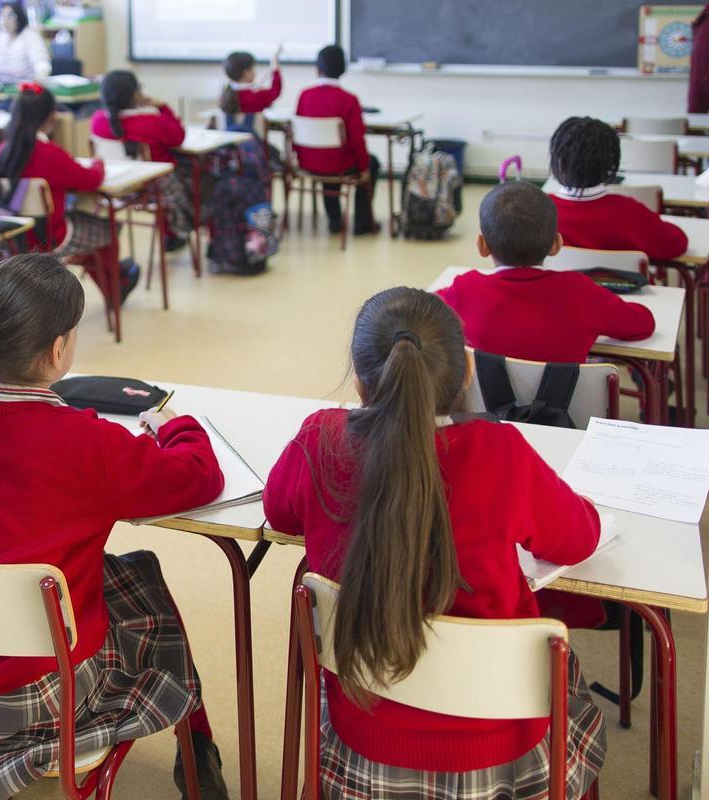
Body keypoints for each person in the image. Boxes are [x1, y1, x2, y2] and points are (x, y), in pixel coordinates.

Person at [0, 254, 229, 800]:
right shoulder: (88, 445)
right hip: (41, 694)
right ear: (58, 351)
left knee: (118, 577)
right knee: (145, 585)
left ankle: (198, 744)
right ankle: (197, 744)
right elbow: (200, 477)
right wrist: (175, 426)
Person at [263, 287, 606, 800]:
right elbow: (579, 539)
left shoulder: (320, 440)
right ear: (467, 372)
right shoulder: (502, 453)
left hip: (362, 751)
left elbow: (278, 511)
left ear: (359, 382)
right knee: (565, 671)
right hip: (502, 755)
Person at [439, 181, 655, 364]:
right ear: (557, 244)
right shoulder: (580, 292)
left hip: (484, 403)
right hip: (569, 403)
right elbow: (643, 324)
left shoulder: (464, 291)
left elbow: (421, 309)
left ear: (482, 245)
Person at [0, 84, 140, 302]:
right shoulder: (48, 153)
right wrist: (98, 163)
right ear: (51, 116)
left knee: (89, 234)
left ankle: (116, 277)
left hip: (14, 234)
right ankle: (116, 287)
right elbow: (91, 180)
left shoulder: (1, 150)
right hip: (50, 236)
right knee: (107, 228)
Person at [547, 116, 688, 262]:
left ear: (556, 158)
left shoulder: (539, 211)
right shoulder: (630, 211)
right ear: (612, 162)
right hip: (617, 278)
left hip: (562, 278)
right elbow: (676, 244)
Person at [91, 70, 193, 252]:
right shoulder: (150, 121)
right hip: (151, 189)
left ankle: (172, 233)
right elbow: (178, 137)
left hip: (115, 186)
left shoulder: (97, 120)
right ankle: (175, 231)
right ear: (135, 94)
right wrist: (163, 107)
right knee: (191, 172)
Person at [293, 45, 379, 235]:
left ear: (317, 68)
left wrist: (299, 158)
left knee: (327, 156)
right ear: (343, 70)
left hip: (308, 163)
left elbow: (296, 133)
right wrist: (364, 168)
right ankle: (362, 223)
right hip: (338, 164)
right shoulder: (349, 100)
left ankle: (334, 220)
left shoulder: (304, 96)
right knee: (370, 163)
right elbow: (357, 141)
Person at [0, 1, 52, 87]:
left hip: (23, 87)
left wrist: (40, 77)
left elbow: (41, 64)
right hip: (0, 86)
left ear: (20, 17)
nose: (5, 20)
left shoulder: (30, 37)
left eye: (11, 16)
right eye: (2, 16)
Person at [219, 45, 283, 133]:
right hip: (253, 140)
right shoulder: (257, 96)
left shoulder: (225, 95)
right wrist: (275, 66)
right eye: (253, 69)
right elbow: (275, 90)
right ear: (247, 73)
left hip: (228, 141)